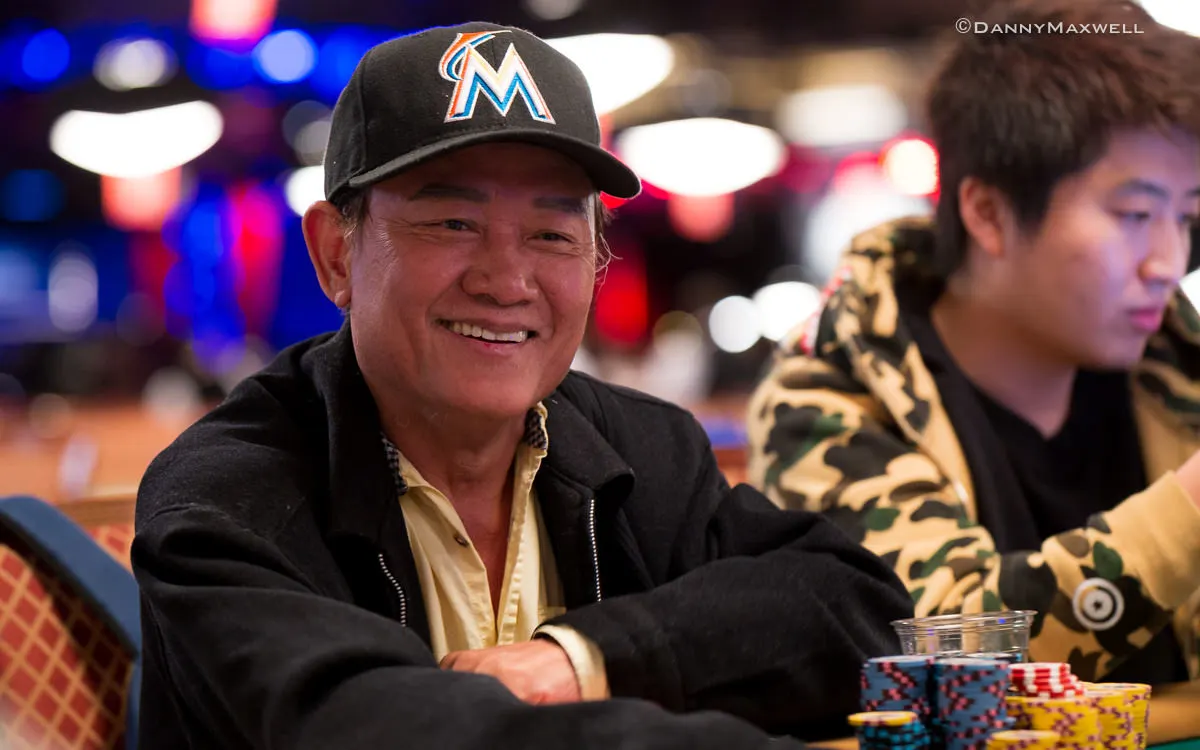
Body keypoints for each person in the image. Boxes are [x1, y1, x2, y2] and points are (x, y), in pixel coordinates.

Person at [132, 21, 912, 750]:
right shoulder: (228, 497)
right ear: (337, 254)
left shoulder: (644, 450)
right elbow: (373, 724)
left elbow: (856, 610)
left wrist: (580, 659)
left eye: (550, 234)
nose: (507, 281)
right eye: (452, 224)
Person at [747, 0, 1200, 685]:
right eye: (1135, 214)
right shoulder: (832, 401)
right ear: (988, 213)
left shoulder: (1176, 372)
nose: (1168, 262)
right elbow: (942, 652)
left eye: (1187, 216)